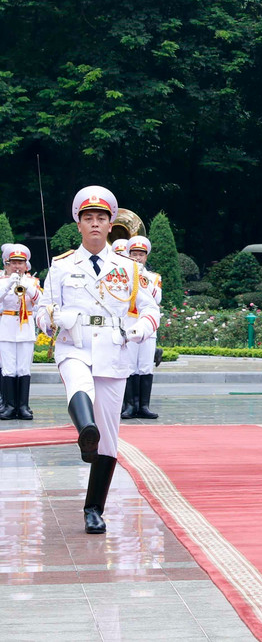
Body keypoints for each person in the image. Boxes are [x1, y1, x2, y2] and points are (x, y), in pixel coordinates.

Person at [35, 186, 161, 534]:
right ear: (78, 224)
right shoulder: (61, 267)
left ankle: (94, 508)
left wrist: (137, 332)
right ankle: (84, 430)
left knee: (109, 435)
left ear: (110, 225)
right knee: (78, 383)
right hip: (73, 344)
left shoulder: (129, 269)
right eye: (87, 218)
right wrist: (50, 319)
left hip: (113, 349)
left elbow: (151, 310)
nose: (94, 224)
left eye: (100, 218)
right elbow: (43, 310)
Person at [120, 235, 163, 419]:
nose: (137, 258)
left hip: (147, 325)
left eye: (141, 255)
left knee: (145, 366)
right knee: (130, 365)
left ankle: (144, 406)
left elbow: (157, 298)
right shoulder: (122, 275)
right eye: (134, 254)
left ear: (146, 257)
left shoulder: (153, 277)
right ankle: (130, 405)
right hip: (129, 323)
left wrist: (142, 276)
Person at [0, 244, 41, 420]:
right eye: (14, 262)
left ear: (26, 265)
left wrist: (26, 285)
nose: (17, 266)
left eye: (20, 263)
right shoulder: (3, 282)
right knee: (9, 368)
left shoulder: (33, 282)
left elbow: (39, 301)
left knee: (23, 368)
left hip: (25, 327)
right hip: (7, 327)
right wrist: (9, 283)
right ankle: (9, 406)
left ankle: (23, 406)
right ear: (7, 264)